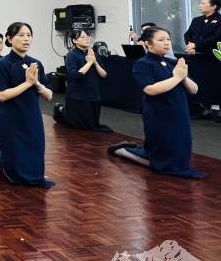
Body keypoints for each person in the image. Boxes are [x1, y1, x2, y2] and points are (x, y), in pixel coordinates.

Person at [109, 27, 206, 179]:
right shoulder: (142, 64)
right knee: (162, 152)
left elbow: (194, 90)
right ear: (148, 43)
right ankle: (123, 151)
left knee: (181, 145)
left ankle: (174, 164)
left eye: (168, 39)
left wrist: (183, 76)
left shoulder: (172, 62)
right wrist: (176, 78)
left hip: (179, 111)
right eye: (161, 40)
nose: (166, 43)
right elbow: (150, 90)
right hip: (159, 113)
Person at [0, 22, 55, 188]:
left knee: (34, 158)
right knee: (15, 172)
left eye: (29, 35)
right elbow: (1, 95)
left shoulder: (36, 64)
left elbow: (49, 95)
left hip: (32, 116)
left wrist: (37, 84)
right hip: (10, 119)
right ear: (10, 39)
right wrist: (28, 83)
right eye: (21, 35)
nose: (26, 39)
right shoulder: (2, 64)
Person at [53, 30, 111, 132]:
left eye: (88, 36)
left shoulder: (93, 54)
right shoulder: (71, 55)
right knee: (77, 126)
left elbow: (104, 75)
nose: (87, 39)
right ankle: (60, 110)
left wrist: (95, 62)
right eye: (83, 37)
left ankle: (63, 110)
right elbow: (75, 75)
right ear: (74, 40)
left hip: (93, 96)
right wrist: (89, 63)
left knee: (92, 126)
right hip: (77, 97)